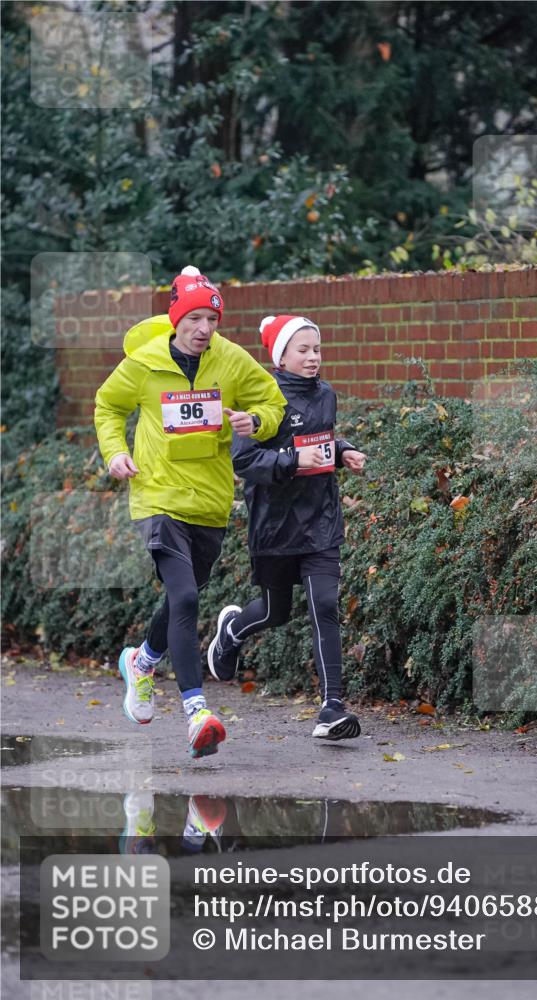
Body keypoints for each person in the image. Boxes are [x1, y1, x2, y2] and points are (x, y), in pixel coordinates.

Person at [94, 267, 287, 759]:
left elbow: (273, 401)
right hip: (157, 497)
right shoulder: (144, 362)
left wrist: (256, 421)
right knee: (183, 596)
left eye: (212, 319)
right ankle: (196, 711)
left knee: (186, 595)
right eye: (195, 318)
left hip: (210, 501)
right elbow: (108, 405)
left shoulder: (231, 360)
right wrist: (115, 451)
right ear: (175, 317)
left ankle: (142, 661)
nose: (204, 329)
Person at [207, 314, 366, 740]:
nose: (313, 357)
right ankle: (233, 630)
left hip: (321, 520)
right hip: (275, 525)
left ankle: (332, 708)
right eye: (303, 349)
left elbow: (321, 439)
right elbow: (244, 461)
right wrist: (293, 463)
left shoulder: (326, 394)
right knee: (276, 612)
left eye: (317, 349)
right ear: (280, 356)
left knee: (325, 606)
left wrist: (343, 450)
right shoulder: (261, 397)